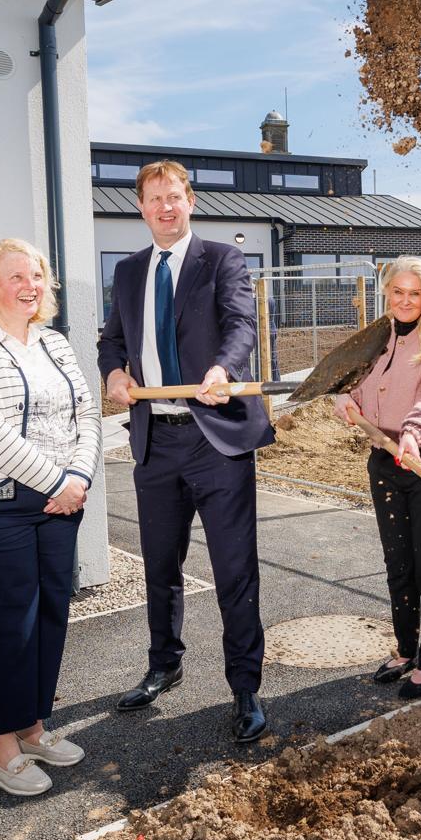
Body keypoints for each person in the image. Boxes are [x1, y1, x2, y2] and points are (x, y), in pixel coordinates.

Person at [97, 160, 274, 743]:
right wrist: (116, 372)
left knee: (233, 569)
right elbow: (112, 340)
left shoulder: (221, 259)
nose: (165, 208)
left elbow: (241, 325)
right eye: (154, 199)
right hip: (155, 440)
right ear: (141, 207)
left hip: (214, 438)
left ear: (190, 201)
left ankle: (245, 686)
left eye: (174, 197)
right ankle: (164, 663)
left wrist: (224, 367)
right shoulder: (126, 273)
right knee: (159, 564)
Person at [0, 238, 101, 796]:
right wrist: (57, 481)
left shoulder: (55, 343)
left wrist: (78, 479)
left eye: (37, 275)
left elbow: (89, 414)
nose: (30, 285)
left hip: (59, 504)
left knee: (50, 617)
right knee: (4, 627)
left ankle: (32, 726)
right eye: (16, 276)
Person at [334, 257, 421, 699]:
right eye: (398, 292)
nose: (406, 301)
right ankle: (406, 648)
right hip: (385, 462)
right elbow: (354, 380)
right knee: (399, 564)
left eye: (415, 293)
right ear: (386, 292)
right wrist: (346, 399)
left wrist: (413, 432)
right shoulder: (378, 337)